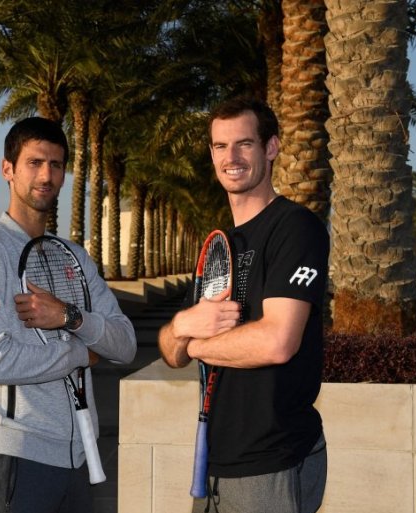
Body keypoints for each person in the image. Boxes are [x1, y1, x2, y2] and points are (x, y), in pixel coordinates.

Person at [0, 116, 137, 513]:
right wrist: (80, 352)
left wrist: (71, 317)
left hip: (78, 456)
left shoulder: (74, 256)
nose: (46, 175)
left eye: (55, 165)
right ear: (8, 169)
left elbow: (125, 344)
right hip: (17, 455)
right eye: (34, 162)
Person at [158, 96, 329, 513]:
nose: (230, 157)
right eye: (220, 146)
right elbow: (170, 352)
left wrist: (194, 342)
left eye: (244, 144)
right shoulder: (221, 244)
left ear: (271, 147)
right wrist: (181, 327)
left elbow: (277, 342)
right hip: (216, 462)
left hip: (272, 461)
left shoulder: (295, 228)